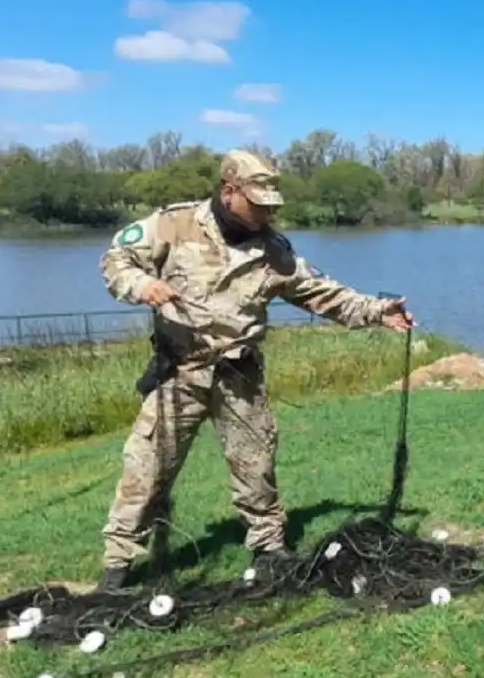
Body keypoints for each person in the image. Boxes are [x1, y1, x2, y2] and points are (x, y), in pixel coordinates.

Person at [95, 149, 414, 593]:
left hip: (239, 377)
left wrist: (378, 312)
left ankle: (269, 549)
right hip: (179, 375)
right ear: (229, 192)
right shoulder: (172, 224)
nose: (266, 212)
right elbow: (116, 260)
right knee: (146, 467)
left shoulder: (273, 249)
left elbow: (322, 292)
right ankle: (118, 565)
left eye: (271, 205)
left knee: (256, 466)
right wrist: (142, 285)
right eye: (258, 202)